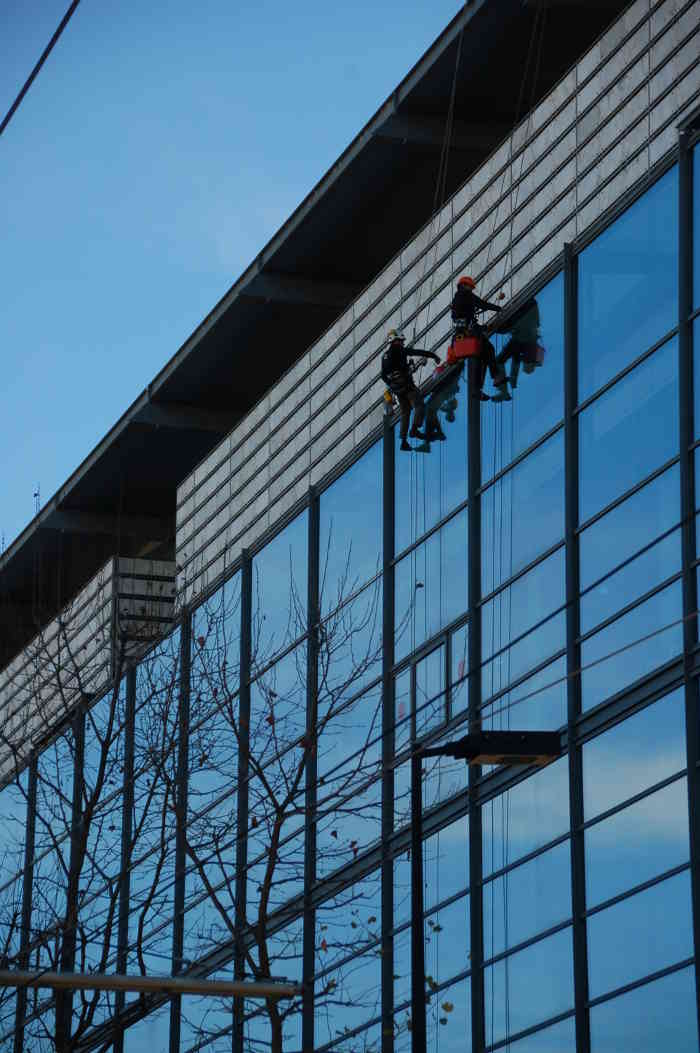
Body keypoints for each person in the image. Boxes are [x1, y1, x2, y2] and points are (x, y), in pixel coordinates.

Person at [451, 276, 509, 401]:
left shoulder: (458, 298)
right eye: (470, 287)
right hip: (470, 332)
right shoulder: (465, 295)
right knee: (489, 349)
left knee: (482, 359)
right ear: (463, 286)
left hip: (463, 334)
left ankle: (477, 389)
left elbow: (463, 316)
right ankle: (496, 376)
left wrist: (481, 327)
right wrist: (498, 308)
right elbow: (483, 304)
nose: (471, 290)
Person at [381, 330, 440, 450]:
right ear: (396, 341)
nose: (402, 343)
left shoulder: (385, 356)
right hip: (407, 386)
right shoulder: (398, 349)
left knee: (405, 412)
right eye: (401, 341)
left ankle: (403, 442)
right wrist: (433, 355)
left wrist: (392, 385)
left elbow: (383, 375)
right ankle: (414, 429)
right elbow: (415, 352)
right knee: (419, 405)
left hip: (397, 390)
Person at [495, 297, 543, 388]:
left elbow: (517, 359)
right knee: (505, 359)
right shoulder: (530, 353)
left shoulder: (531, 306)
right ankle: (507, 384)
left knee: (505, 358)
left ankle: (506, 384)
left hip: (522, 340)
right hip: (522, 339)